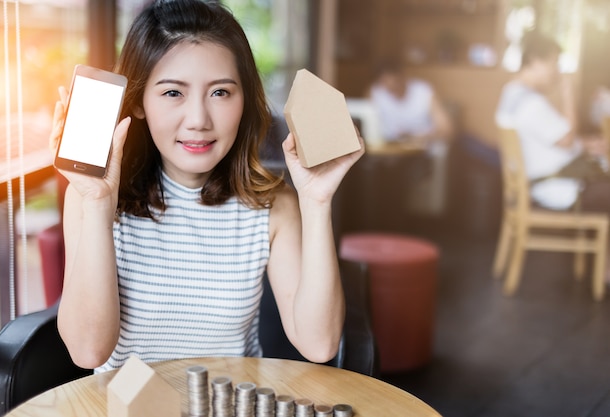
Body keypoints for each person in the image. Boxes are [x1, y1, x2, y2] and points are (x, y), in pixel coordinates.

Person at [49, 0, 364, 373]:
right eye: (172, 93)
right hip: (127, 408)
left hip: (229, 403)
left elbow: (319, 343)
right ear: (138, 103)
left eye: (220, 93)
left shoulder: (274, 206)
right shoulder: (90, 200)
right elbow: (88, 352)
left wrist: (317, 201)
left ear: (244, 101)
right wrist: (99, 204)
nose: (198, 120)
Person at [495, 32, 609, 211]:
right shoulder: (530, 103)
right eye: (554, 63)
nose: (557, 71)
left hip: (548, 184)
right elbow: (567, 140)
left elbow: (553, 140)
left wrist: (586, 144)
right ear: (535, 61)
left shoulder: (512, 94)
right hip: (561, 189)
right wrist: (569, 95)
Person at [368, 60, 454, 215]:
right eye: (385, 86)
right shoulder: (376, 92)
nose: (390, 90)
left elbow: (446, 128)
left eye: (394, 85)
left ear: (403, 77)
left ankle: (393, 220)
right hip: (387, 150)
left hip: (418, 153)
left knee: (396, 171)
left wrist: (421, 136)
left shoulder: (423, 92)